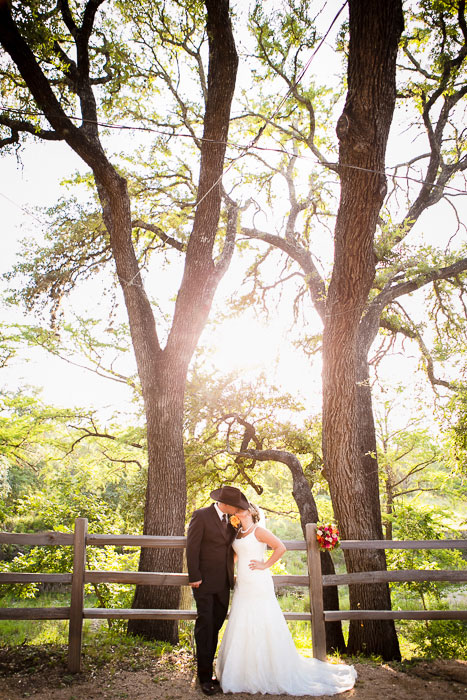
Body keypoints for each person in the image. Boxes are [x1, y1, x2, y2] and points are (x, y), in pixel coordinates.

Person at [216, 503, 357, 696]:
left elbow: (280, 548)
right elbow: (234, 555)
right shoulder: (238, 532)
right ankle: (241, 671)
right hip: (243, 583)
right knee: (242, 619)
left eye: (241, 508)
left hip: (258, 581)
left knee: (263, 620)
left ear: (250, 512)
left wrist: (264, 564)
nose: (238, 511)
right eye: (237, 509)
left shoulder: (259, 531)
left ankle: (268, 670)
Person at [186, 485, 249, 696]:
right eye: (236, 507)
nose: (238, 510)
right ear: (227, 504)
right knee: (205, 627)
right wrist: (194, 576)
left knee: (216, 625)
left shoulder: (233, 521)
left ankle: (209, 670)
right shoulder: (201, 516)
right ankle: (204, 677)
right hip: (203, 582)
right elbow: (192, 547)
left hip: (224, 582)